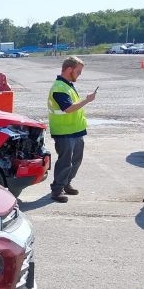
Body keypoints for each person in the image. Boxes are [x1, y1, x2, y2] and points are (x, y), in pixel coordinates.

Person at [47, 56, 97, 203]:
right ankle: (57, 190)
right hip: (64, 132)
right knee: (65, 161)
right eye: (78, 71)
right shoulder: (59, 88)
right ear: (69, 69)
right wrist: (87, 100)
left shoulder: (67, 85)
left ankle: (66, 183)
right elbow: (68, 109)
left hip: (75, 131)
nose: (79, 75)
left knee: (76, 160)